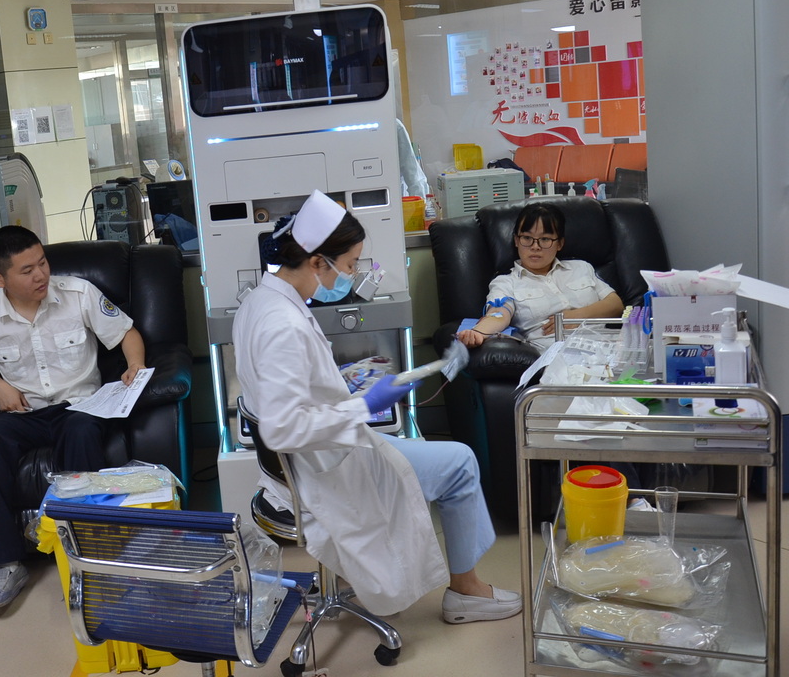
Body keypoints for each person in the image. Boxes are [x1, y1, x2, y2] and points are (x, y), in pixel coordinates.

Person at [234, 190, 521, 623]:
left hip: (309, 460)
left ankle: (367, 575)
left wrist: (344, 382)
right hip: (323, 468)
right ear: (317, 262)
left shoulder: (261, 300)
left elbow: (284, 388)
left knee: (432, 458)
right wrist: (364, 406)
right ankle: (467, 592)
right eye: (350, 264)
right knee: (460, 463)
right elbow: (282, 428)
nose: (352, 275)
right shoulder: (284, 325)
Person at [0, 226, 146, 610]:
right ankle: (7, 564)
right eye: (27, 270)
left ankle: (87, 560)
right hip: (24, 411)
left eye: (42, 263)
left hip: (79, 406)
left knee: (80, 432)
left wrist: (135, 365)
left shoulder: (78, 293)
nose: (41, 275)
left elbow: (126, 333)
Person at [457, 202, 623, 349]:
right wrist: (478, 333)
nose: (535, 246)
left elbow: (615, 304)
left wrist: (575, 316)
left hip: (610, 346)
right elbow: (499, 314)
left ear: (560, 243)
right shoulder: (506, 283)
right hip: (559, 356)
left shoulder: (581, 267)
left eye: (545, 239)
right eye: (527, 238)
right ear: (516, 240)